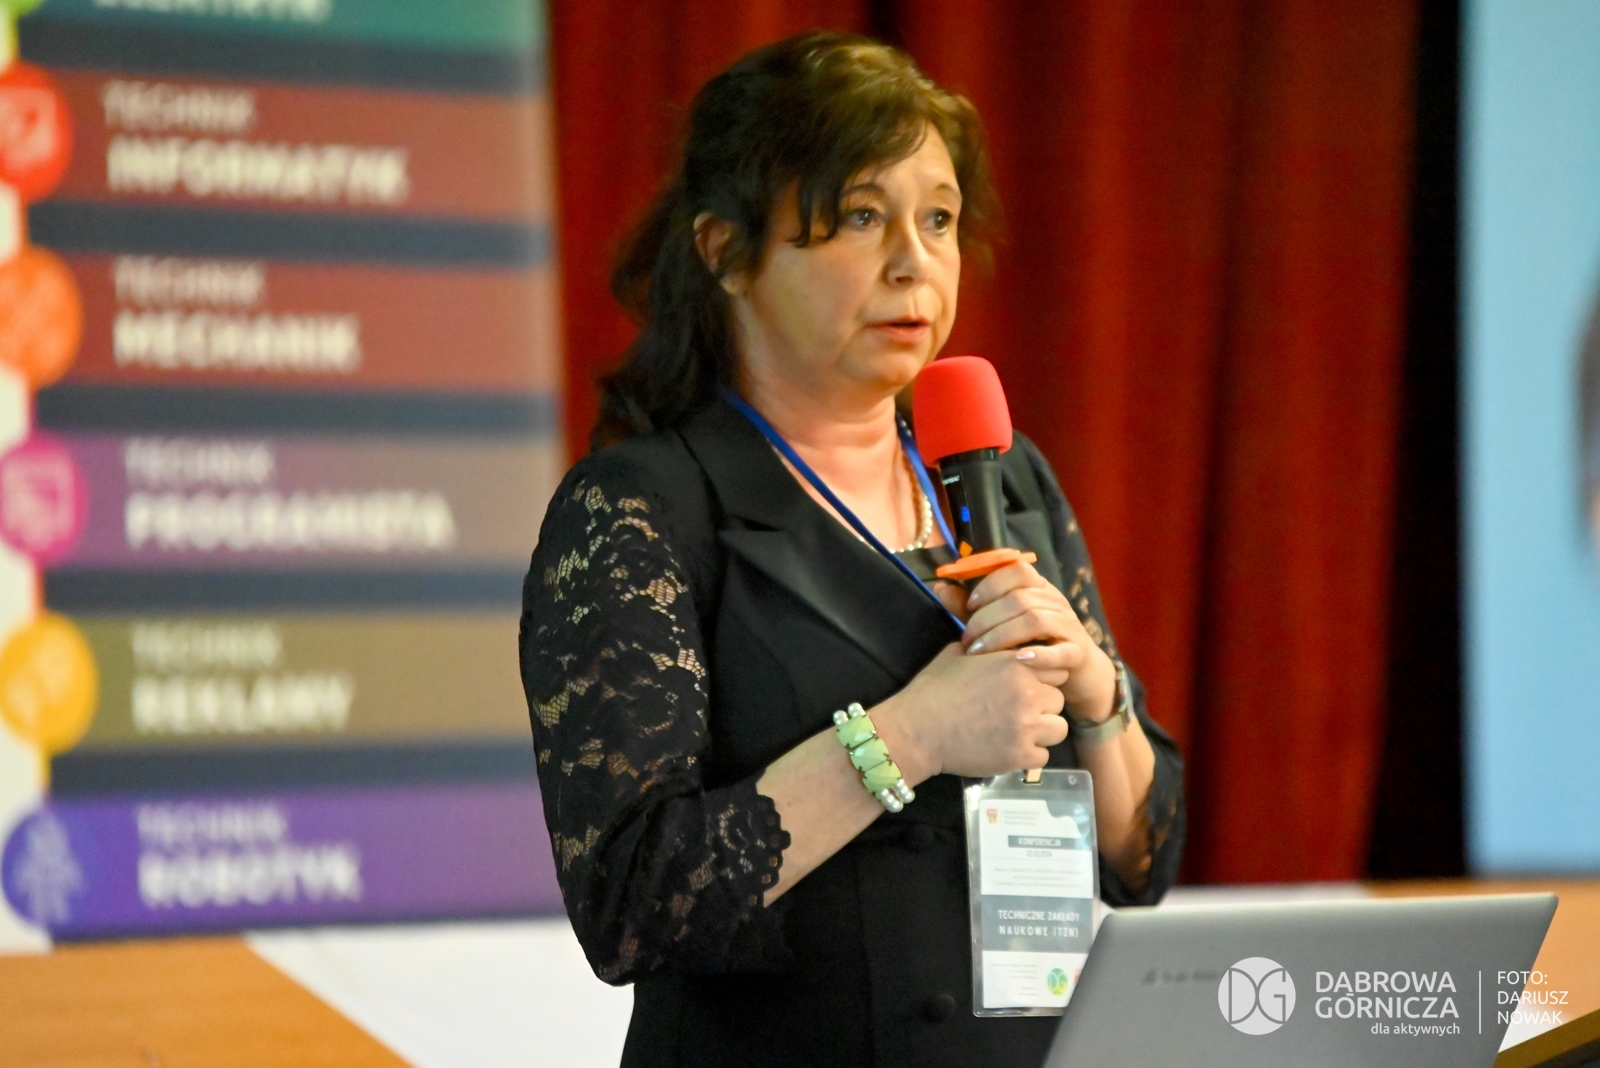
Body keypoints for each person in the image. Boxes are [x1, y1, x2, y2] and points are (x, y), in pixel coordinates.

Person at [520, 32, 1185, 1068]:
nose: (914, 261)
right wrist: (913, 735)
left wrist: (1097, 695)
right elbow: (632, 907)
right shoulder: (641, 510)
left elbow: (1142, 862)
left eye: (938, 219)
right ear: (725, 252)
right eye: (864, 216)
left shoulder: (1003, 477)